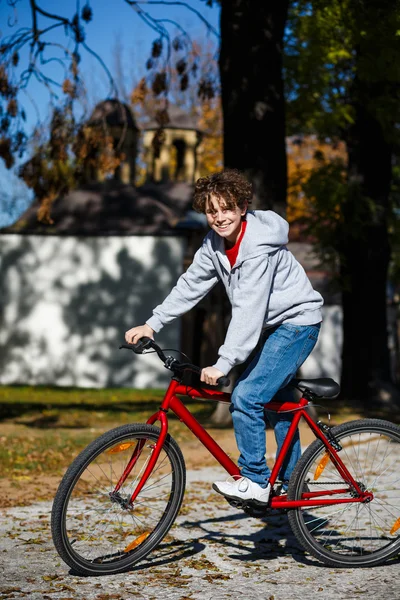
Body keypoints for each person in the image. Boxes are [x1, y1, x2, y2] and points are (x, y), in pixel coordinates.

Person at [125, 169, 323, 506]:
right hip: (268, 327)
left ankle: (257, 481)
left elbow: (249, 309)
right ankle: (292, 480)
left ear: (243, 206)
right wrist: (152, 323)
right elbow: (190, 286)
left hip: (296, 324)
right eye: (212, 211)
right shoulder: (214, 245)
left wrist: (224, 362)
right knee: (276, 403)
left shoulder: (260, 247)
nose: (220, 218)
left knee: (246, 396)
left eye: (227, 208)